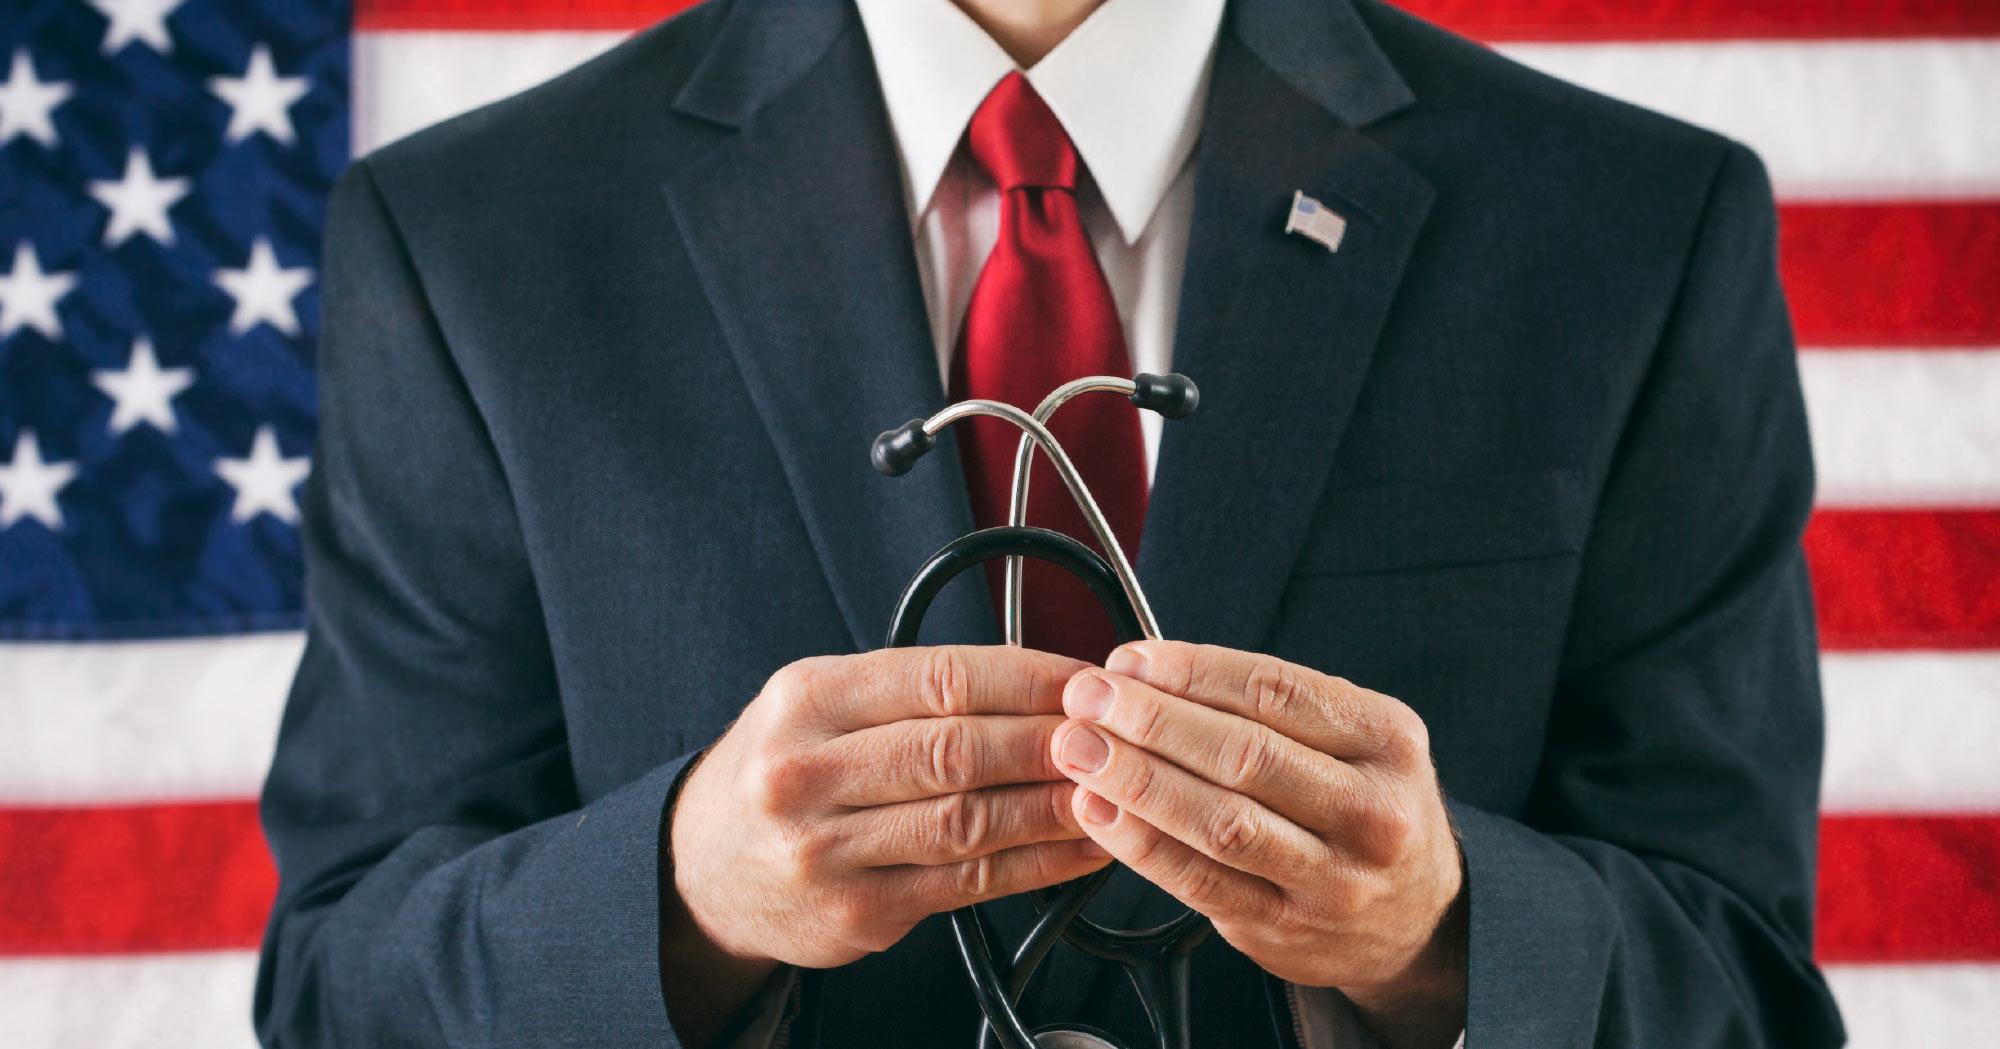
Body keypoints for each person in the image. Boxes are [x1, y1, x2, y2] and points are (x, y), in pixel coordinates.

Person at [253, 0, 1846, 1046]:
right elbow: (337, 988)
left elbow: (1752, 995)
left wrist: (1442, 929)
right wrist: (678, 897)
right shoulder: (469, 241)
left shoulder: (1628, 229)